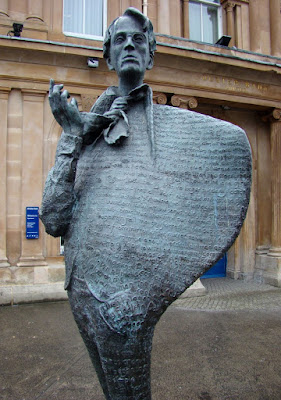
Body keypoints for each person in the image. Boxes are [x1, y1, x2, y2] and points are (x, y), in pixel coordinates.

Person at [40, 7, 251, 400]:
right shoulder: (83, 131)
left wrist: (150, 291)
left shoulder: (174, 130)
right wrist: (71, 137)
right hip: (81, 293)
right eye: (120, 39)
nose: (130, 46)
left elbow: (210, 191)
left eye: (139, 40)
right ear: (108, 55)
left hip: (127, 302)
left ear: (151, 54)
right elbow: (53, 219)